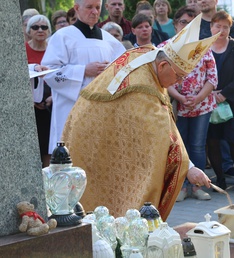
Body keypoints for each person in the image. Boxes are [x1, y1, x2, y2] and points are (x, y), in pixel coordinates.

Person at [62, 13, 219, 218]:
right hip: (95, 142)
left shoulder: (146, 55)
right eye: (178, 76)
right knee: (115, 204)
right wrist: (189, 169)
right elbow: (163, 136)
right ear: (163, 66)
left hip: (87, 133)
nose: (178, 83)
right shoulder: (144, 88)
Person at [41, 0, 126, 154]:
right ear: (77, 8)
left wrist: (110, 71)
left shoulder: (110, 40)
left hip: (103, 109)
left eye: (97, 8)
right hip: (71, 109)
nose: (94, 12)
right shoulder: (62, 36)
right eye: (89, 7)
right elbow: (49, 71)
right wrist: (83, 71)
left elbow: (123, 70)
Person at [163, 6, 217, 201]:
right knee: (179, 147)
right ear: (176, 24)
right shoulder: (165, 47)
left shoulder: (204, 47)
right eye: (183, 22)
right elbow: (160, 79)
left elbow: (212, 78)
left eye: (191, 23)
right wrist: (179, 96)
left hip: (201, 106)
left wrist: (198, 98)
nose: (187, 26)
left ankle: (197, 187)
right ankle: (181, 187)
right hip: (177, 106)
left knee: (197, 146)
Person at [207, 11, 234, 193]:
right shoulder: (203, 48)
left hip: (232, 102)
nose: (221, 30)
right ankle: (220, 179)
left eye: (225, 27)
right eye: (218, 26)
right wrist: (209, 94)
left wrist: (224, 94)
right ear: (211, 27)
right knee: (212, 142)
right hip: (208, 102)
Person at [25, 14, 52, 168]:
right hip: (30, 107)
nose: (40, 30)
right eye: (35, 27)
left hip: (52, 103)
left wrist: (53, 97)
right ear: (29, 31)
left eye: (44, 27)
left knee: (49, 144)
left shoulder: (54, 49)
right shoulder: (22, 50)